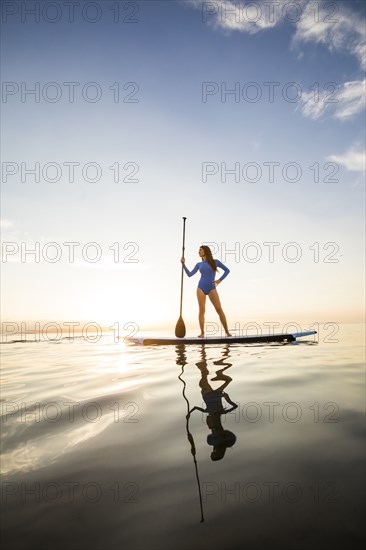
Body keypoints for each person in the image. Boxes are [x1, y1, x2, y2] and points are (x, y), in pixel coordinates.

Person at [181, 245, 232, 338]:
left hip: (212, 288)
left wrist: (219, 280)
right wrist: (183, 264)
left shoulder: (215, 262)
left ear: (205, 251)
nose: (198, 252)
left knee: (219, 309)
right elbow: (189, 274)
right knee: (201, 310)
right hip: (200, 288)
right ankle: (202, 333)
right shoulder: (199, 264)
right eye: (199, 250)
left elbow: (227, 270)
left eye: (200, 250)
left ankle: (227, 332)